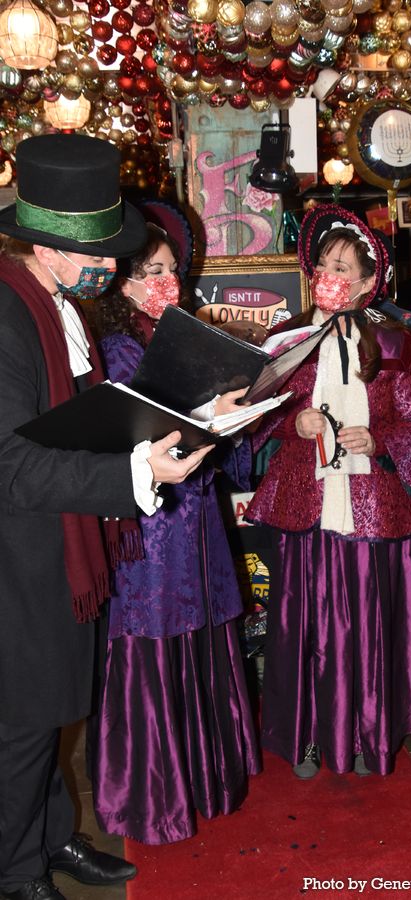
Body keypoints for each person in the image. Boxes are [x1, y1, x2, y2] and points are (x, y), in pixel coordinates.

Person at [0, 134, 215, 900]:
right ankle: (15, 870)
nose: (113, 268)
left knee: (50, 714)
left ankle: (52, 836)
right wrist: (136, 472)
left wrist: (188, 417)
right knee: (23, 728)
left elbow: (88, 418)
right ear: (48, 241)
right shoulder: (6, 315)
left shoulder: (55, 302)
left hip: (63, 546)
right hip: (21, 558)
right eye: (101, 253)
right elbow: (13, 465)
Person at [245, 204, 411, 779]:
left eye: (346, 267)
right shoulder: (286, 339)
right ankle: (306, 734)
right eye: (325, 263)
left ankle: (363, 730)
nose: (334, 275)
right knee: (303, 626)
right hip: (305, 501)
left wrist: (377, 440)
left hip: (372, 505)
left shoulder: (397, 342)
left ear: (370, 280)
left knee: (365, 625)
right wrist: (291, 424)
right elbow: (257, 415)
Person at [92, 222, 260, 844]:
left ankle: (210, 777)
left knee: (207, 635)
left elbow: (213, 430)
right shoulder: (116, 346)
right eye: (151, 273)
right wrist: (206, 414)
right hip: (153, 526)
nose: (167, 283)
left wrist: (240, 411)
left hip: (200, 515)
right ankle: (153, 795)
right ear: (122, 284)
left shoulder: (186, 335)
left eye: (171, 271)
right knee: (155, 643)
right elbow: (133, 430)